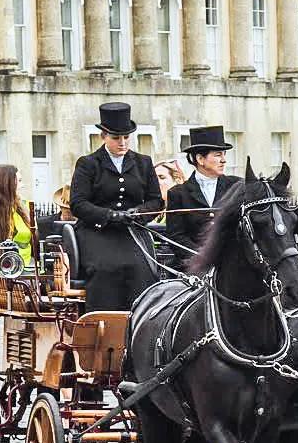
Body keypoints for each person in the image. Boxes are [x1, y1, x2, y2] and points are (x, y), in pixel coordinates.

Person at [69, 102, 163, 313]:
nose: (122, 143)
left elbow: (156, 200)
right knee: (105, 269)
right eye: (116, 138)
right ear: (103, 136)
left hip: (132, 231)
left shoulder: (143, 163)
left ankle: (140, 324)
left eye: (126, 137)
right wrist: (109, 215)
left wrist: (138, 214)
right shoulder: (88, 164)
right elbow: (78, 203)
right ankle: (103, 325)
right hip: (97, 231)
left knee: (143, 269)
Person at [165, 125, 242, 264]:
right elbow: (176, 236)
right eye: (218, 155)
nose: (223, 160)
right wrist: (201, 256)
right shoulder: (178, 194)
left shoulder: (236, 186)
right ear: (200, 159)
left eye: (224, 155)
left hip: (233, 264)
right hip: (194, 265)